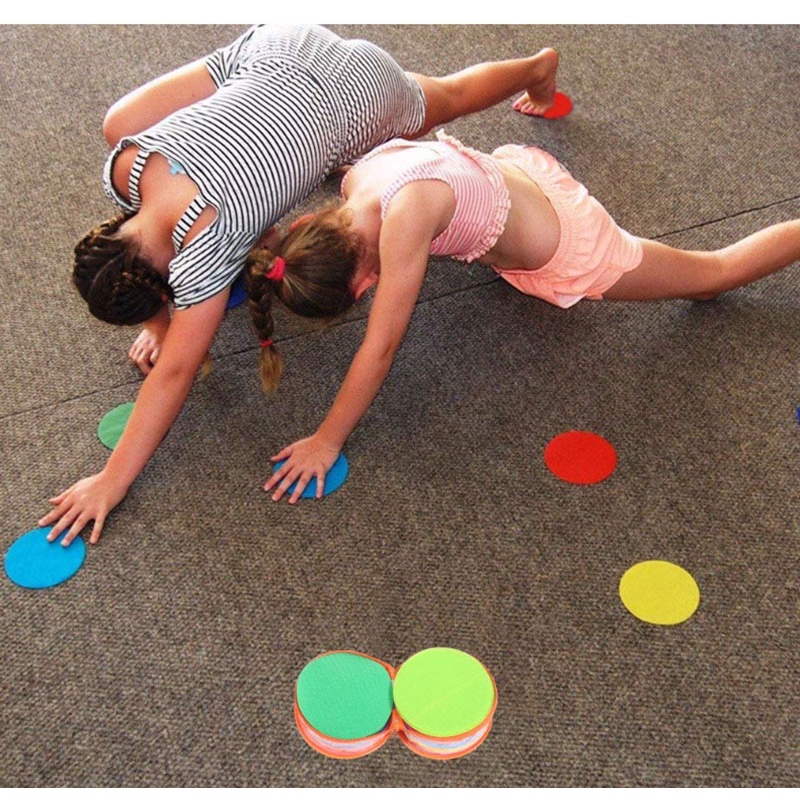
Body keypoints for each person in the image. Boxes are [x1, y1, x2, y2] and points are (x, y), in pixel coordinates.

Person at [41, 25, 563, 545]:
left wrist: (112, 479)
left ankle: (538, 67)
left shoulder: (208, 246)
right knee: (119, 122)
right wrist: (158, 323)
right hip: (282, 47)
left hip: (358, 94)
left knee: (448, 97)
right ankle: (271, 166)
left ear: (168, 288)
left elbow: (176, 372)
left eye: (162, 305)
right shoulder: (126, 165)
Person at [250, 130, 800, 503]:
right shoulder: (358, 181)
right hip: (510, 181)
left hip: (567, 242)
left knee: (712, 276)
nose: (372, 288)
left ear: (359, 280)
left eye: (363, 287)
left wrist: (327, 439)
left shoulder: (405, 219)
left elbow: (382, 346)